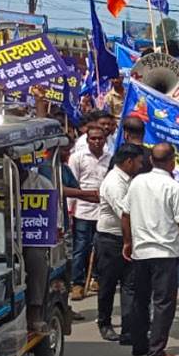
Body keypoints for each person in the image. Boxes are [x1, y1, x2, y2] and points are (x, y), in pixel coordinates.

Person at [122, 143, 179, 356]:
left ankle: (140, 344)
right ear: (172, 161)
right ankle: (156, 352)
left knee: (141, 299)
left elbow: (125, 215)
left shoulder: (136, 183)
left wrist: (127, 241)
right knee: (163, 303)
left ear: (152, 161)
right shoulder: (172, 186)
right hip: (164, 253)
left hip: (142, 251)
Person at [94, 143, 146, 344]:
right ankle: (104, 323)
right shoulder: (114, 183)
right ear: (129, 161)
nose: (141, 166)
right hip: (111, 240)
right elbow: (125, 213)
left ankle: (129, 328)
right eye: (139, 162)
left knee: (130, 285)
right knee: (107, 284)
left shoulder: (129, 180)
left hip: (127, 239)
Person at [68, 125, 110, 300]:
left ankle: (97, 279)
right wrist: (70, 210)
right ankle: (77, 283)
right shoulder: (77, 158)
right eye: (93, 138)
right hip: (83, 210)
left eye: (100, 138)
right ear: (87, 140)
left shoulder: (110, 159)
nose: (97, 141)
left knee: (100, 248)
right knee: (80, 249)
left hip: (103, 210)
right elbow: (72, 185)